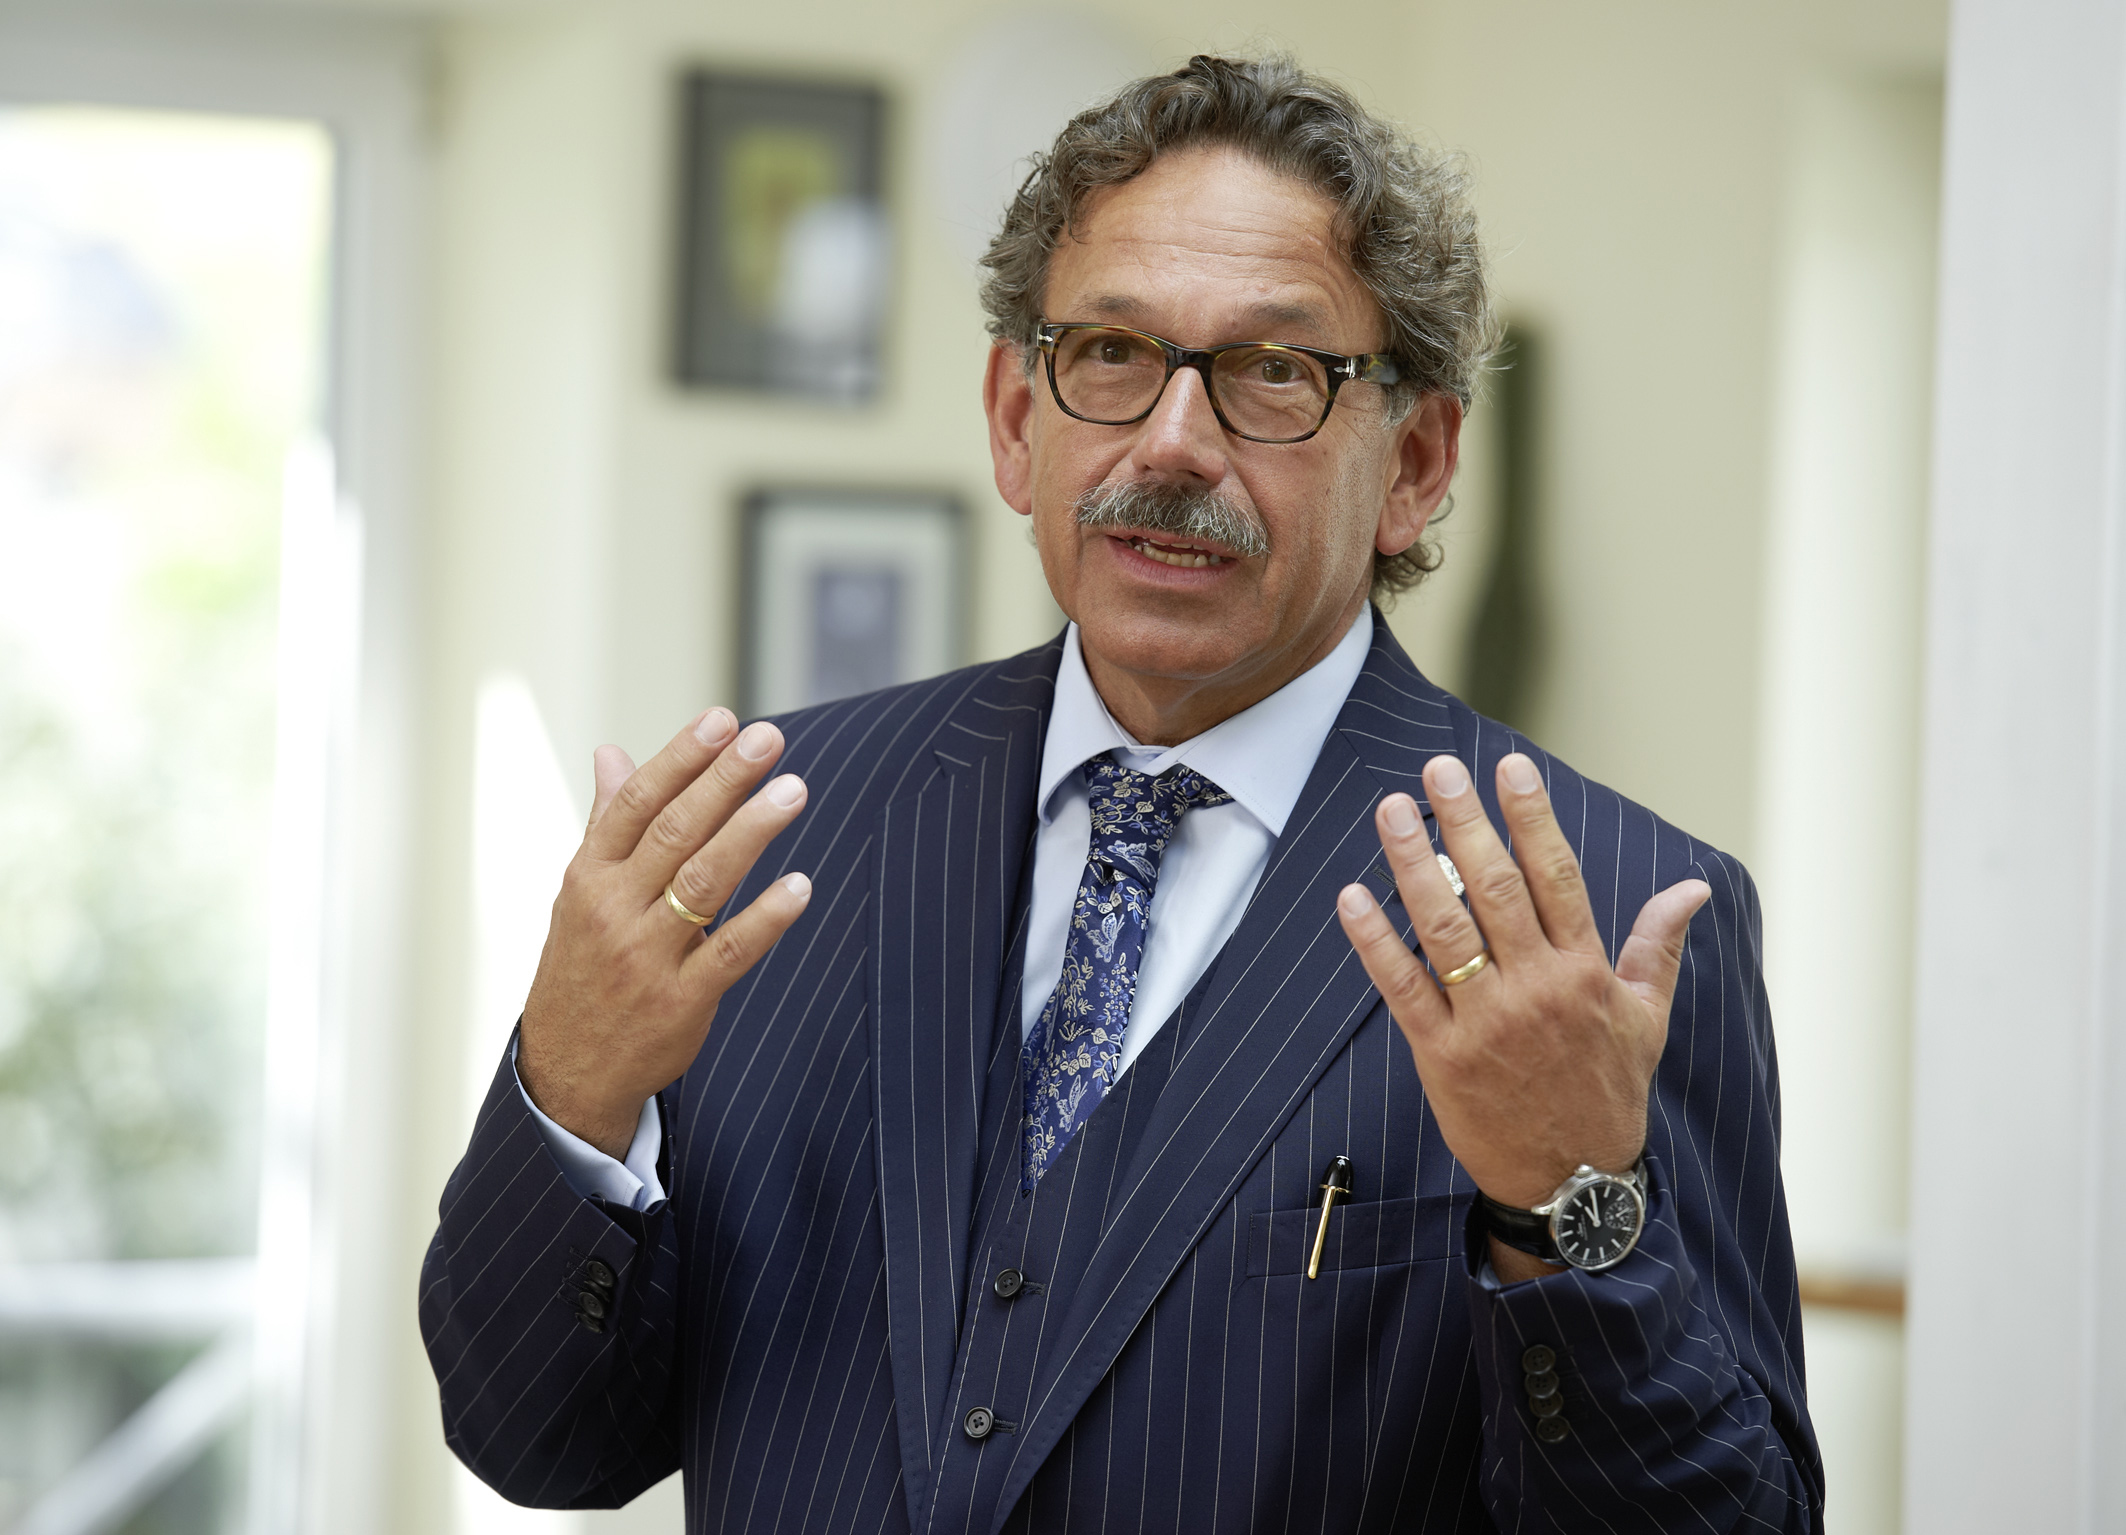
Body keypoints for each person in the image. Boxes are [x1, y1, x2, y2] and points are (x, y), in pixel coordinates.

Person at [422, 54, 1821, 1533]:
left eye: (1274, 372)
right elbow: (535, 1441)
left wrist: (1564, 1210)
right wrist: (570, 1085)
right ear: (1013, 421)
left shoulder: (1611, 921)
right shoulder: (770, 834)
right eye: (1109, 353)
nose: (1170, 442)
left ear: (1415, 462)